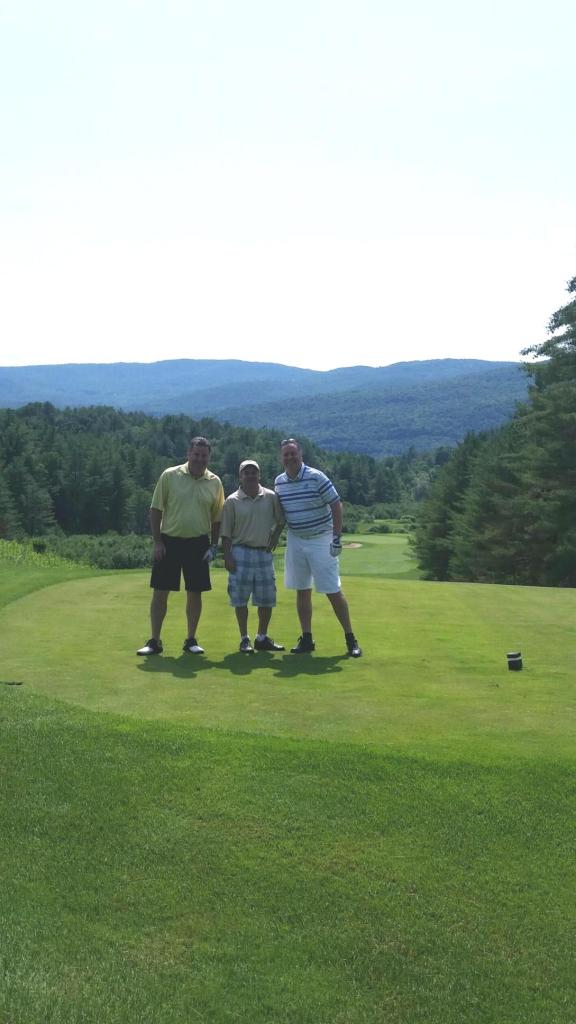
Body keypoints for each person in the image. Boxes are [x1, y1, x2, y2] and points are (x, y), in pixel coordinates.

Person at [136, 436, 224, 656]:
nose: (200, 459)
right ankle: (154, 641)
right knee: (160, 591)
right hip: (169, 541)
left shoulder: (215, 482)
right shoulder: (170, 475)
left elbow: (217, 518)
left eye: (204, 456)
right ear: (188, 454)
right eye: (196, 454)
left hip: (199, 543)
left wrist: (214, 546)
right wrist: (157, 541)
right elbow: (156, 509)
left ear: (209, 457)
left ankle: (191, 640)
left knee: (195, 593)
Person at [274, 438, 362, 657]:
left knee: (332, 590)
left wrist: (336, 537)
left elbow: (336, 505)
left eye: (293, 453)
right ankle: (307, 638)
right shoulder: (279, 482)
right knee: (302, 590)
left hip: (321, 538)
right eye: (286, 454)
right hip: (296, 539)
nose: (290, 457)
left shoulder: (316, 476)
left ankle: (351, 639)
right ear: (281, 458)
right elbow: (283, 514)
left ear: (300, 455)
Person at [220, 459, 285, 653]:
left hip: (264, 553)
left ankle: (261, 637)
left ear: (259, 475)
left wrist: (275, 537)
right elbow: (226, 533)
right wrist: (227, 556)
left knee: (267, 597)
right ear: (240, 476)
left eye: (253, 472)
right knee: (240, 598)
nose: (250, 475)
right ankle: (244, 638)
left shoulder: (271, 496)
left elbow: (281, 520)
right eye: (246, 473)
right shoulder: (232, 500)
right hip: (240, 552)